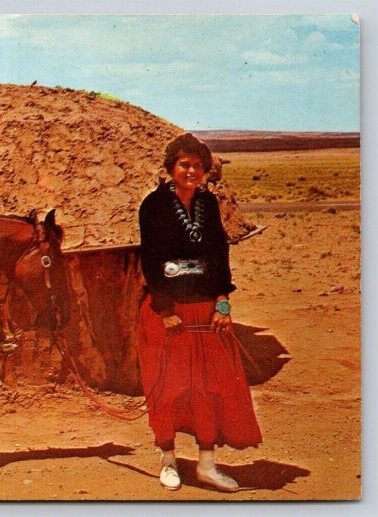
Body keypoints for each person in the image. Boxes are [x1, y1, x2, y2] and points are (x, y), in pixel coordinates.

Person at [137, 133, 262, 492]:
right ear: (172, 168)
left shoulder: (208, 204)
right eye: (184, 165)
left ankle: (207, 464)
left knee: (209, 388)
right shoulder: (154, 205)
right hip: (168, 311)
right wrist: (164, 309)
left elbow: (218, 255)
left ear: (205, 170)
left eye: (197, 166)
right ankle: (169, 461)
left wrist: (223, 301)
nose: (191, 171)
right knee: (169, 388)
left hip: (207, 310)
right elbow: (151, 259)